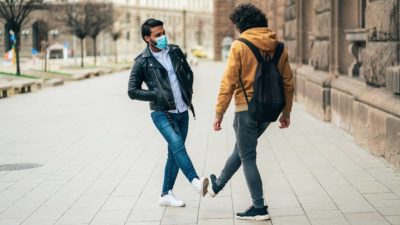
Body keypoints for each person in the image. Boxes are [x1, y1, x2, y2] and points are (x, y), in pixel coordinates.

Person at [208, 3, 294, 220]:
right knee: (242, 151)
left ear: (242, 25)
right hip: (269, 112)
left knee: (247, 157)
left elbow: (228, 83)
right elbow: (288, 83)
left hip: (246, 110)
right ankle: (217, 185)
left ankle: (259, 207)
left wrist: (219, 113)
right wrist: (286, 113)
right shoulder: (279, 47)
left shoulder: (239, 46)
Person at [128, 18, 209, 207]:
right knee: (177, 144)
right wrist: (156, 95)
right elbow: (132, 91)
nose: (163, 37)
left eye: (163, 32)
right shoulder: (142, 61)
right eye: (158, 35)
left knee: (174, 152)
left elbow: (188, 72)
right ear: (147, 38)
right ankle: (196, 182)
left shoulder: (174, 51)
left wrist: (187, 90)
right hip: (161, 112)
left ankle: (166, 194)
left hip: (182, 110)